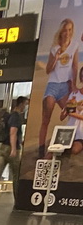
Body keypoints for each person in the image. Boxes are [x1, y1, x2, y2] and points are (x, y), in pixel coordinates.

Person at [38, 19, 79, 157]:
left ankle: (68, 144)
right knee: (46, 119)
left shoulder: (74, 45)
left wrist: (73, 83)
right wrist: (55, 58)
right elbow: (48, 70)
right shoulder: (54, 48)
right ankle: (40, 150)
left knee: (69, 114)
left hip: (65, 86)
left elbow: (74, 66)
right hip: (53, 86)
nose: (67, 33)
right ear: (61, 32)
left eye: (69, 30)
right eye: (65, 30)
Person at [0, 96, 28, 203]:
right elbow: (13, 133)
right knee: (16, 175)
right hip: (11, 149)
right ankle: (18, 200)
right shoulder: (16, 116)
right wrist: (14, 148)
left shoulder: (9, 116)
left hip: (3, 147)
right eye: (26, 104)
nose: (26, 107)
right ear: (21, 104)